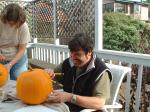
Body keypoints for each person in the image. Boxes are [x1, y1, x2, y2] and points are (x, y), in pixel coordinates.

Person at [46, 33, 112, 112]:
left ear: (89, 53)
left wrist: (70, 97)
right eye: (71, 53)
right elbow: (54, 74)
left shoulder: (100, 71)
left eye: (77, 54)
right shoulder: (68, 63)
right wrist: (49, 73)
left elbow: (100, 103)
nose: (73, 58)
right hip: (67, 107)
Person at [0, 3, 30, 80]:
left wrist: (10, 64)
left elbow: (22, 49)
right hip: (2, 56)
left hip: (18, 58)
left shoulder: (24, 26)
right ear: (4, 18)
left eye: (14, 23)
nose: (11, 25)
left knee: (19, 80)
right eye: (9, 22)